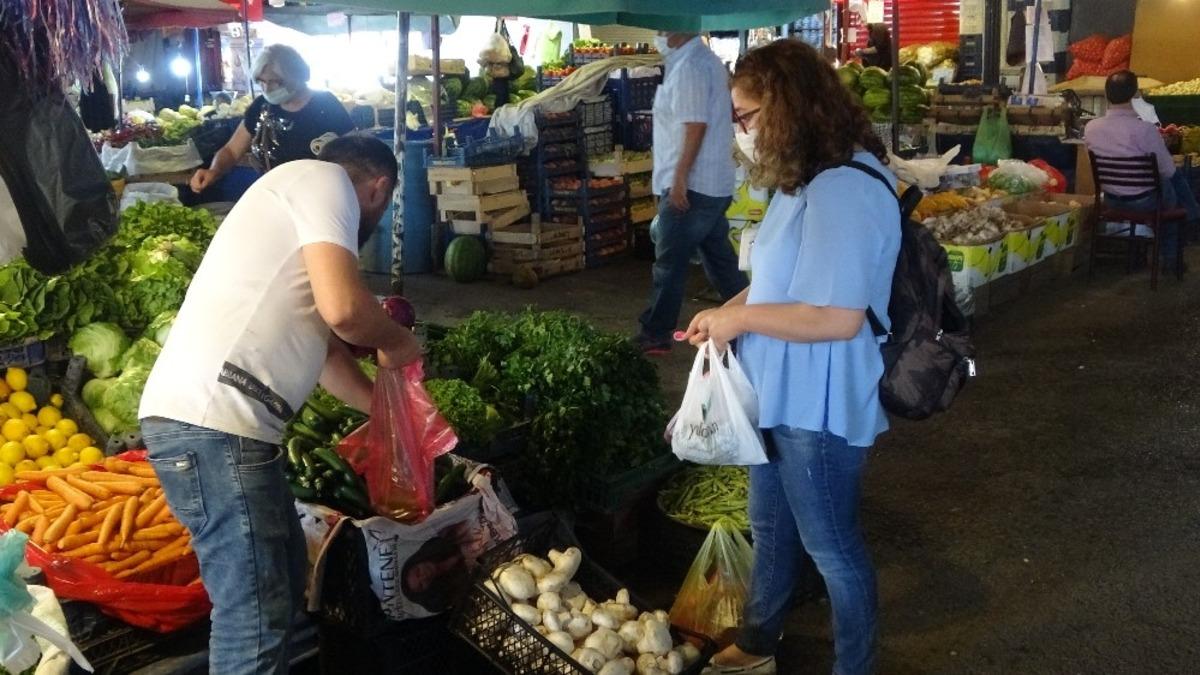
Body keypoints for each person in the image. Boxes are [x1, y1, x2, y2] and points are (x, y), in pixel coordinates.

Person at [139, 134, 421, 675]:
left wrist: (392, 417)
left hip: (217, 430)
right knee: (256, 619)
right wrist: (399, 343)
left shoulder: (295, 211)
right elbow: (344, 310)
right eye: (381, 211)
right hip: (216, 428)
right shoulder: (326, 182)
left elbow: (328, 355)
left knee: (286, 581)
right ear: (379, 189)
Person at [685, 40, 900, 675]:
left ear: (788, 109)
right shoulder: (803, 180)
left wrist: (741, 317)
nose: (740, 131)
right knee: (772, 529)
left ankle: (854, 666)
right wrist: (727, 310)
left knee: (831, 547)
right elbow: (783, 281)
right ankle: (758, 642)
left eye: (746, 116)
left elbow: (837, 317)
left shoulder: (844, 190)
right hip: (778, 391)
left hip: (820, 404)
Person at [635, 32, 747, 355]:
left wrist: (680, 178)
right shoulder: (702, 62)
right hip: (711, 183)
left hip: (694, 186)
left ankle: (656, 332)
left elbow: (694, 126)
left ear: (681, 27)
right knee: (720, 262)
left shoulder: (690, 68)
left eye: (663, 27)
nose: (659, 35)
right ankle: (746, 323)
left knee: (669, 261)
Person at [190, 44, 355, 193]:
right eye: (262, 82)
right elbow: (232, 151)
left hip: (321, 196)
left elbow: (355, 153)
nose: (267, 88)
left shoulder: (325, 104)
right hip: (275, 195)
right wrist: (214, 170)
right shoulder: (261, 106)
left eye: (275, 82)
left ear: (297, 76)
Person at [1084, 70, 1200, 264]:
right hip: (1146, 202)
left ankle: (1193, 215)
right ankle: (1173, 256)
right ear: (1135, 95)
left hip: (1111, 199)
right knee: (1176, 182)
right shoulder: (1145, 130)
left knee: (1171, 184)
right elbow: (1168, 170)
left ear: (1106, 95)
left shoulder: (1091, 128)